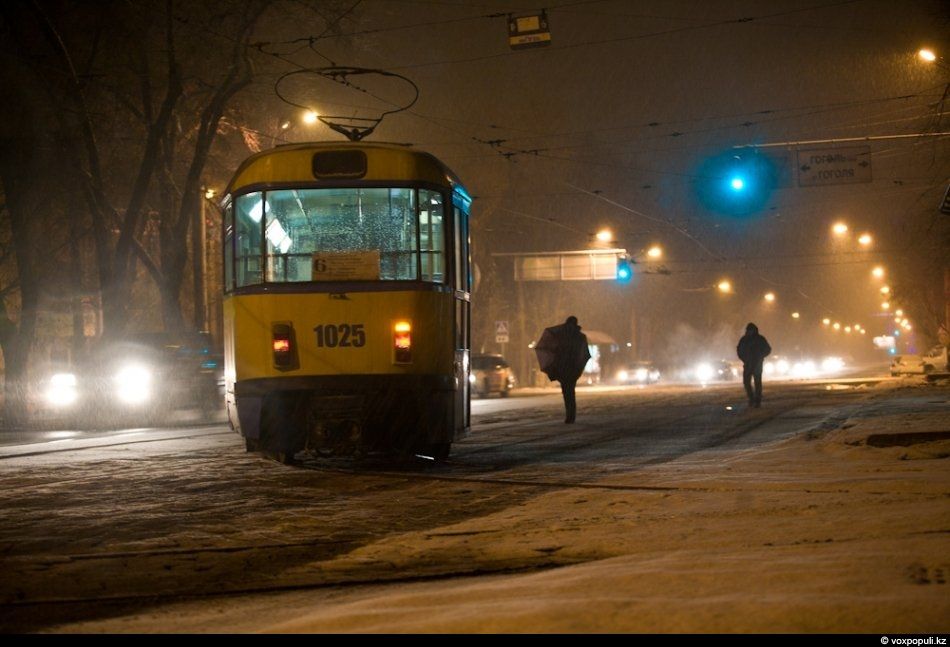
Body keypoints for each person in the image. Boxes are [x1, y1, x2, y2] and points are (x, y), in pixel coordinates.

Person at [536, 316, 592, 423]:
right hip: (574, 369)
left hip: (563, 368)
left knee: (567, 392)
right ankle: (571, 415)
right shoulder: (580, 337)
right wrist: (579, 368)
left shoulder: (560, 336)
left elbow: (555, 350)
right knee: (570, 391)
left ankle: (569, 415)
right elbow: (584, 354)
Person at [736, 322, 771, 408]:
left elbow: (768, 349)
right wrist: (744, 359)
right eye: (748, 330)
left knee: (757, 382)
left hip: (757, 363)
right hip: (748, 363)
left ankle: (757, 400)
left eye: (750, 330)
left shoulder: (759, 339)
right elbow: (739, 350)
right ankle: (751, 398)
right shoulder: (744, 340)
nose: (749, 331)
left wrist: (760, 356)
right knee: (746, 382)